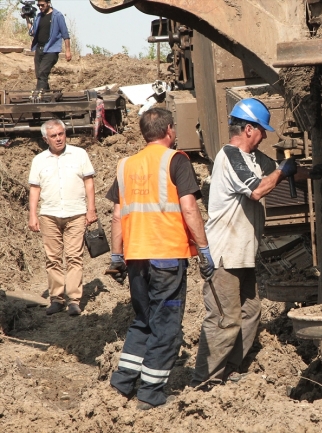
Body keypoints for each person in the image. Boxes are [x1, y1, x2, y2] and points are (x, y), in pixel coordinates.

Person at [191, 98, 322, 388]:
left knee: (250, 312)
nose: (265, 136)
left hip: (244, 254)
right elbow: (257, 190)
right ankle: (204, 381)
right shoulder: (231, 157)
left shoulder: (254, 158)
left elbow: (279, 168)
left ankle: (230, 369)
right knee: (224, 319)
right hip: (225, 255)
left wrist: (311, 172)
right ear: (249, 129)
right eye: (262, 130)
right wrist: (284, 172)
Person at [105, 108, 214, 410]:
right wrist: (203, 250)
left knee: (143, 320)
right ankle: (151, 393)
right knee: (166, 326)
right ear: (169, 131)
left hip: (136, 257)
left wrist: (116, 257)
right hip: (167, 256)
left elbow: (117, 216)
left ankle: (123, 384)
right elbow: (189, 209)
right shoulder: (176, 160)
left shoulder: (125, 165)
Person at [28, 119, 97, 316]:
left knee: (74, 257)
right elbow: (34, 189)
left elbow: (89, 183)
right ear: (45, 139)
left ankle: (74, 299)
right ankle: (56, 298)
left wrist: (91, 209)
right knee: (53, 258)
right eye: (53, 136)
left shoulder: (79, 154)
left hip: (76, 213)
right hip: (49, 214)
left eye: (61, 134)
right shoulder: (39, 160)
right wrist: (32, 215)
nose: (58, 138)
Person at [26, 1, 72, 90]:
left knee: (43, 73)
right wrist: (27, 18)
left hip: (51, 50)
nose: (40, 7)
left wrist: (68, 51)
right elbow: (32, 32)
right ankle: (46, 96)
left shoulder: (57, 16)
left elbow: (65, 34)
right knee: (39, 75)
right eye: (38, 5)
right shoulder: (39, 16)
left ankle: (39, 96)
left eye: (42, 5)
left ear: (48, 3)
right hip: (39, 49)